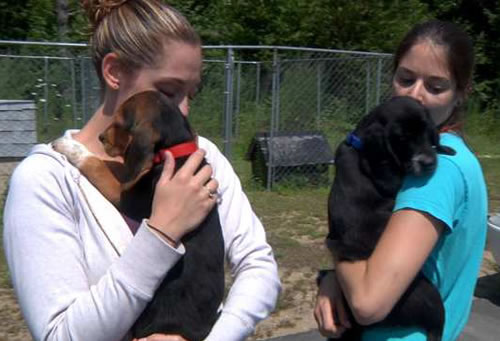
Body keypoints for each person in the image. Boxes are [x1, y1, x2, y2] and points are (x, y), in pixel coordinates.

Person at [2, 1, 281, 341]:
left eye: (191, 93)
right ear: (114, 72)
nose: (183, 111)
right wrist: (162, 232)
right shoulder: (46, 180)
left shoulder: (201, 157)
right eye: (168, 91)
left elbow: (259, 266)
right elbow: (60, 335)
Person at [314, 20, 487, 341]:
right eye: (405, 79)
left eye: (435, 87)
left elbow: (368, 302)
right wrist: (333, 277)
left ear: (462, 93)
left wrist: (338, 253)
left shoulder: (438, 173)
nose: (415, 95)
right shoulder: (457, 157)